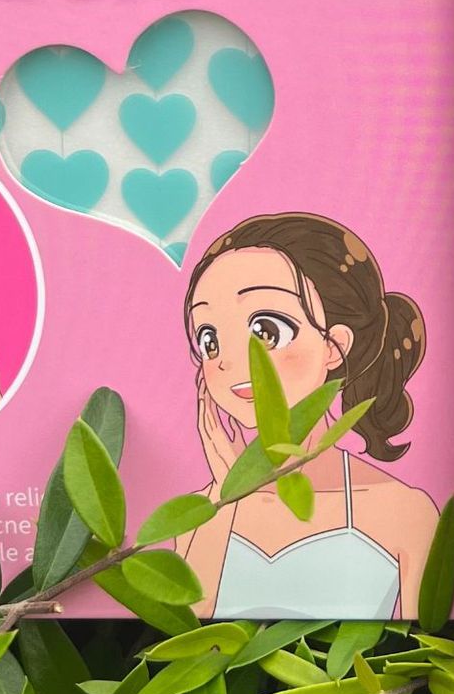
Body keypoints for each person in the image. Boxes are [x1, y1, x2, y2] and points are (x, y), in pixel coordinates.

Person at [181, 214, 438, 619]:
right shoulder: (195, 514)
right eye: (209, 340)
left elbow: (422, 634)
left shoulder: (404, 510)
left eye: (266, 331)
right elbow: (187, 628)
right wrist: (227, 497)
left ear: (334, 345)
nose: (228, 360)